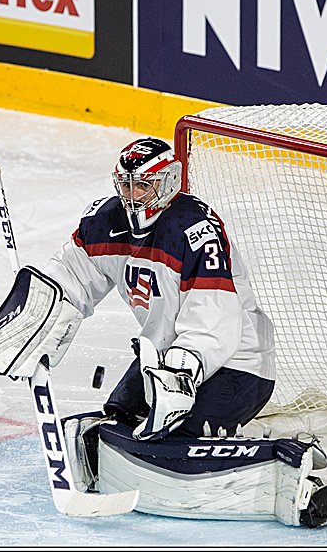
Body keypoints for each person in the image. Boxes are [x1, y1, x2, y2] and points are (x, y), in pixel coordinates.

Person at [40, 137, 276, 440]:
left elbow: (214, 319)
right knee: (118, 421)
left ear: (167, 182)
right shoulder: (106, 222)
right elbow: (71, 276)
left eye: (143, 185)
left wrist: (179, 375)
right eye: (126, 186)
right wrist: (41, 313)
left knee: (181, 440)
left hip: (238, 363)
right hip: (164, 359)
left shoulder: (192, 230)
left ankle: (256, 438)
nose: (133, 196)